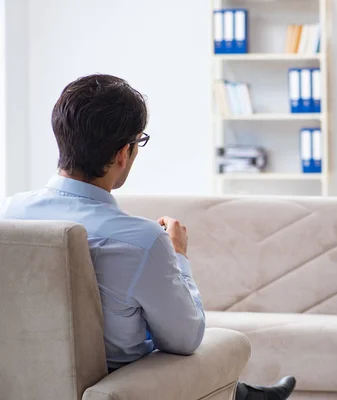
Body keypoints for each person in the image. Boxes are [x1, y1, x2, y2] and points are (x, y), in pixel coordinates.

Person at [0, 74, 296, 400]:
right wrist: (178, 254)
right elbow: (185, 339)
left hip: (23, 384)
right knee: (215, 344)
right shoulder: (142, 241)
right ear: (123, 154)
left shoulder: (9, 215)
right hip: (121, 385)